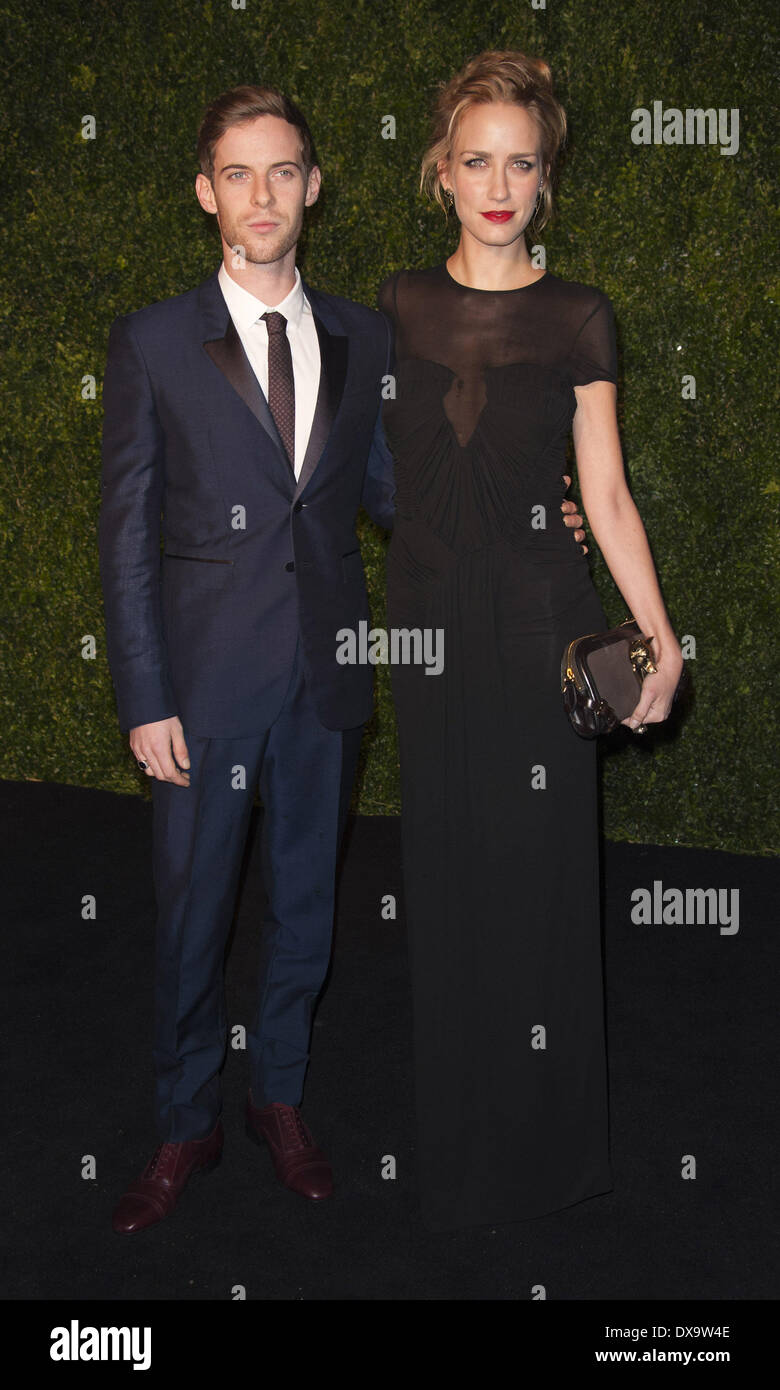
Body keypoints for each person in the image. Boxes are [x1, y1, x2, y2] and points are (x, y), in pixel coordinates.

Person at [98, 79, 601, 1235]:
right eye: (238, 173)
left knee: (308, 911)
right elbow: (122, 534)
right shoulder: (154, 342)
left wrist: (544, 513)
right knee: (189, 915)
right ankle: (184, 1123)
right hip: (201, 693)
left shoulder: (366, 332)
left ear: (314, 188)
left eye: (284, 172)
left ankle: (280, 1100)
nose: (262, 194)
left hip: (327, 687)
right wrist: (145, 693)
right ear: (205, 192)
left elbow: (402, 493)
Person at [377, 50, 685, 1232]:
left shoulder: (579, 315)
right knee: (447, 874)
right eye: (476, 159)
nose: (498, 183)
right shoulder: (397, 303)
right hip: (428, 629)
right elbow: (363, 466)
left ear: (545, 179)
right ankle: (459, 1143)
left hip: (538, 621)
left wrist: (659, 640)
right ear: (441, 171)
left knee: (543, 879)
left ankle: (550, 1149)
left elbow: (604, 495)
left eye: (523, 162)